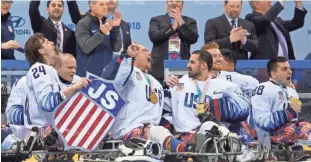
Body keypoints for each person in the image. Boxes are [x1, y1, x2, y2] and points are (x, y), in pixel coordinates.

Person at [110, 43, 191, 153]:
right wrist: (128, 56)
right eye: (144, 50)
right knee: (159, 133)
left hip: (150, 132)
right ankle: (187, 151)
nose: (150, 53)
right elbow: (116, 79)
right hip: (127, 130)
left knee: (160, 134)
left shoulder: (156, 82)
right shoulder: (129, 73)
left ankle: (185, 152)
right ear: (135, 56)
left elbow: (161, 109)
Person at [166, 50, 250, 138]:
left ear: (203, 65)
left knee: (210, 126)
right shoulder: (181, 82)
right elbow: (162, 105)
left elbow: (244, 108)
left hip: (212, 137)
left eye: (192, 62)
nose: (188, 65)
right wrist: (167, 86)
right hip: (183, 137)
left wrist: (216, 107)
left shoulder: (225, 86)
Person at [23, 33, 90, 130]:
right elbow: (47, 103)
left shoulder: (49, 70)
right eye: (46, 42)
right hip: (42, 134)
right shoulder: (40, 68)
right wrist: (74, 87)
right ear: (41, 51)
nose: (52, 43)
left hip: (47, 133)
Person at [250, 57, 311, 149]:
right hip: (266, 147)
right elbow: (263, 123)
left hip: (289, 145)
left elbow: (294, 119)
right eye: (284, 69)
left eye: (289, 68)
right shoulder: (263, 89)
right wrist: (289, 113)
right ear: (274, 73)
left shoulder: (291, 91)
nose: (290, 71)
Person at [149, 0, 199, 84]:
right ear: (167, 4)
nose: (174, 3)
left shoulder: (190, 21)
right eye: (171, 1)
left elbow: (193, 39)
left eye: (178, 1)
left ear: (182, 5)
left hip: (181, 64)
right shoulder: (156, 20)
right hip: (161, 65)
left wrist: (181, 23)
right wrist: (172, 29)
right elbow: (154, 36)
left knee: (180, 91)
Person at [75, 0, 122, 77]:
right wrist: (101, 33)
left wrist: (116, 28)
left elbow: (117, 48)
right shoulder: (83, 23)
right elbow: (86, 48)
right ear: (92, 6)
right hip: (87, 76)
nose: (105, 7)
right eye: (101, 4)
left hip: (106, 76)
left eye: (106, 4)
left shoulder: (107, 23)